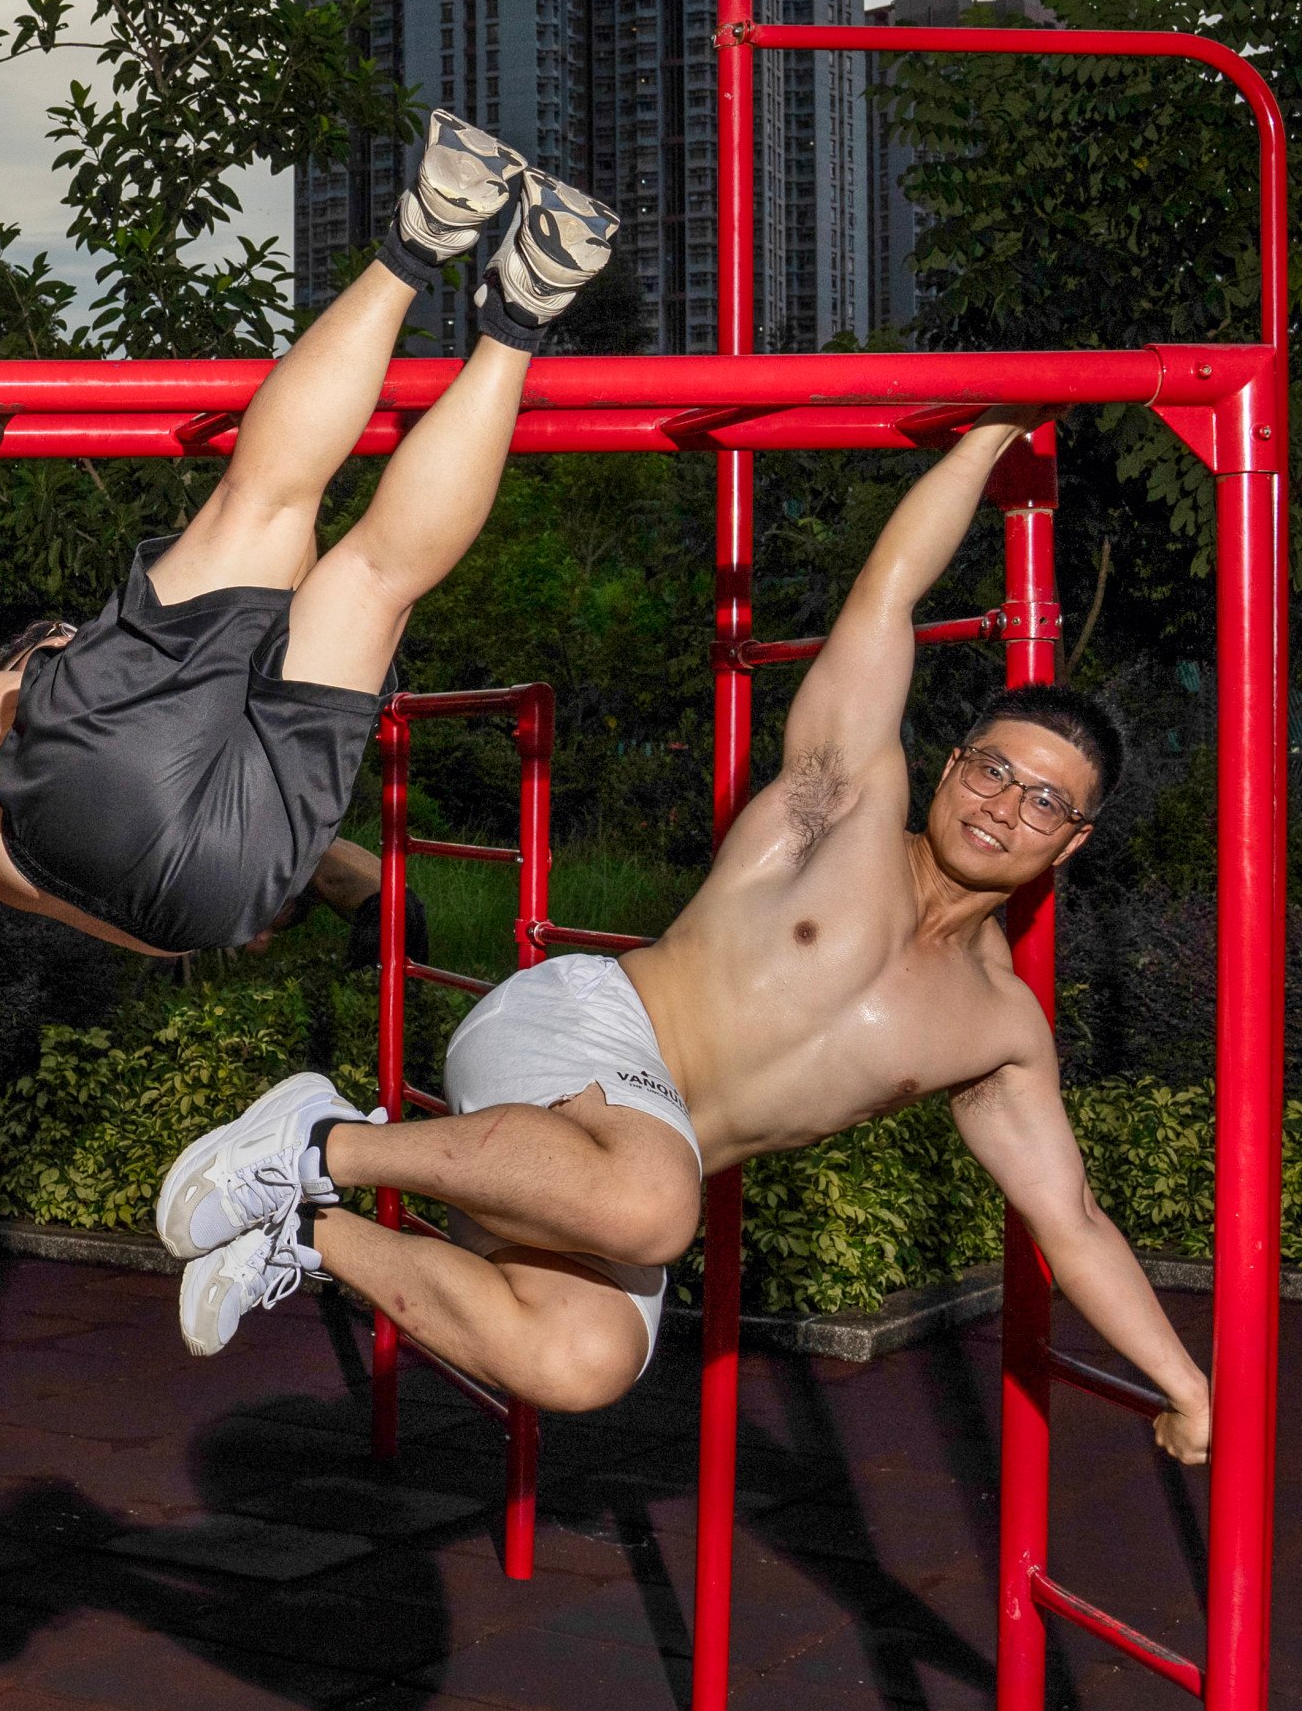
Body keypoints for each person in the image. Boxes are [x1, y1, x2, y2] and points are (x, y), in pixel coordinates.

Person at [156, 414, 1214, 1465]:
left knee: (584, 1358)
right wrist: (990, 438)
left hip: (613, 1173)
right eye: (992, 768)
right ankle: (314, 1141)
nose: (1003, 805)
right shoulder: (840, 808)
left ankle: (299, 1234)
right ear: (947, 767)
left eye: (1043, 801)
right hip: (576, 1030)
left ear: (1071, 843)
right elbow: (887, 595)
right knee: (661, 1202)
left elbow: (1070, 1219)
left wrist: (1186, 1384)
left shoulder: (997, 1029)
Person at [0, 110, 621, 958]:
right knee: (262, 505)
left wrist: (363, 896)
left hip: (209, 906)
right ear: (26, 657)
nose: (77, 638)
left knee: (374, 582)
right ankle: (425, 235)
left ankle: (521, 316)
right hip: (82, 813)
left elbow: (315, 848)